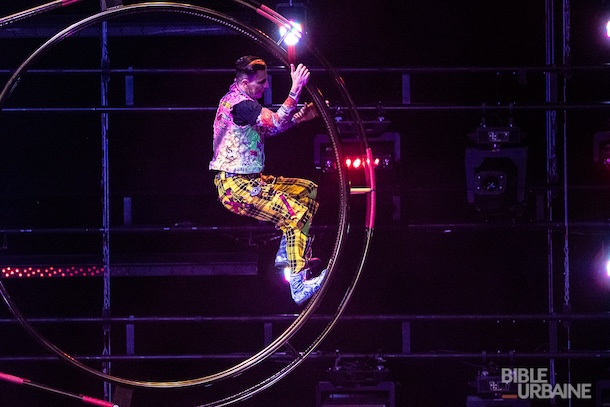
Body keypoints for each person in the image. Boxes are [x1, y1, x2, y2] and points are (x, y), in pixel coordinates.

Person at [209, 55, 325, 305]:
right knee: (296, 215)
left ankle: (287, 253)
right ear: (243, 82)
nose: (266, 87)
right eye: (261, 83)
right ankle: (299, 285)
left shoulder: (244, 105)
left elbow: (269, 129)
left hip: (252, 181)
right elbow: (274, 120)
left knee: (308, 191)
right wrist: (295, 89)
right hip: (236, 187)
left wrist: (299, 118)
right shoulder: (240, 105)